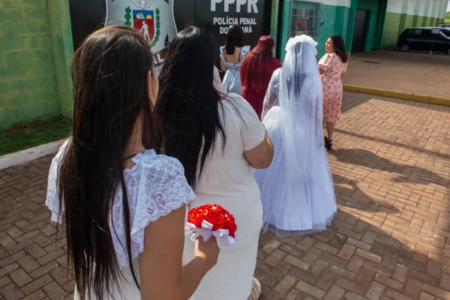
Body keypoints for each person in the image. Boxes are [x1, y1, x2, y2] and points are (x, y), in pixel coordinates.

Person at [45, 26, 220, 300]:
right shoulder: (158, 178)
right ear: (150, 82)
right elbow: (163, 295)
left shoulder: (67, 156)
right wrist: (204, 259)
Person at [156, 26, 274, 300]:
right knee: (235, 276)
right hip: (236, 218)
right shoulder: (234, 107)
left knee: (195, 275)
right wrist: (263, 131)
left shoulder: (158, 114)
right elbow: (262, 158)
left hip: (185, 222)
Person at [253, 35, 337, 237]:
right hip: (301, 126)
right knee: (297, 169)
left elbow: (268, 102)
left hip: (277, 121)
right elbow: (315, 112)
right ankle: (293, 210)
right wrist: (317, 136)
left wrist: (263, 125)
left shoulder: (278, 73)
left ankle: (264, 205)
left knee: (274, 166)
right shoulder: (311, 79)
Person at [318, 34, 349, 151]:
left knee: (318, 112)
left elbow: (319, 70)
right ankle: (329, 139)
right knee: (331, 115)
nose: (326, 44)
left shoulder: (329, 56)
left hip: (326, 86)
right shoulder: (344, 57)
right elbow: (342, 74)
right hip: (337, 87)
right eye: (326, 42)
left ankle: (316, 139)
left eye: (329, 43)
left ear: (336, 46)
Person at [241, 35, 281, 119]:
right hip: (265, 101)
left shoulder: (248, 59)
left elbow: (243, 79)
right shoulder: (276, 64)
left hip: (248, 98)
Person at [220, 25, 250, 95]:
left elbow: (223, 68)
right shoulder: (245, 50)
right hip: (239, 79)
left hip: (227, 78)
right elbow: (249, 69)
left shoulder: (224, 50)